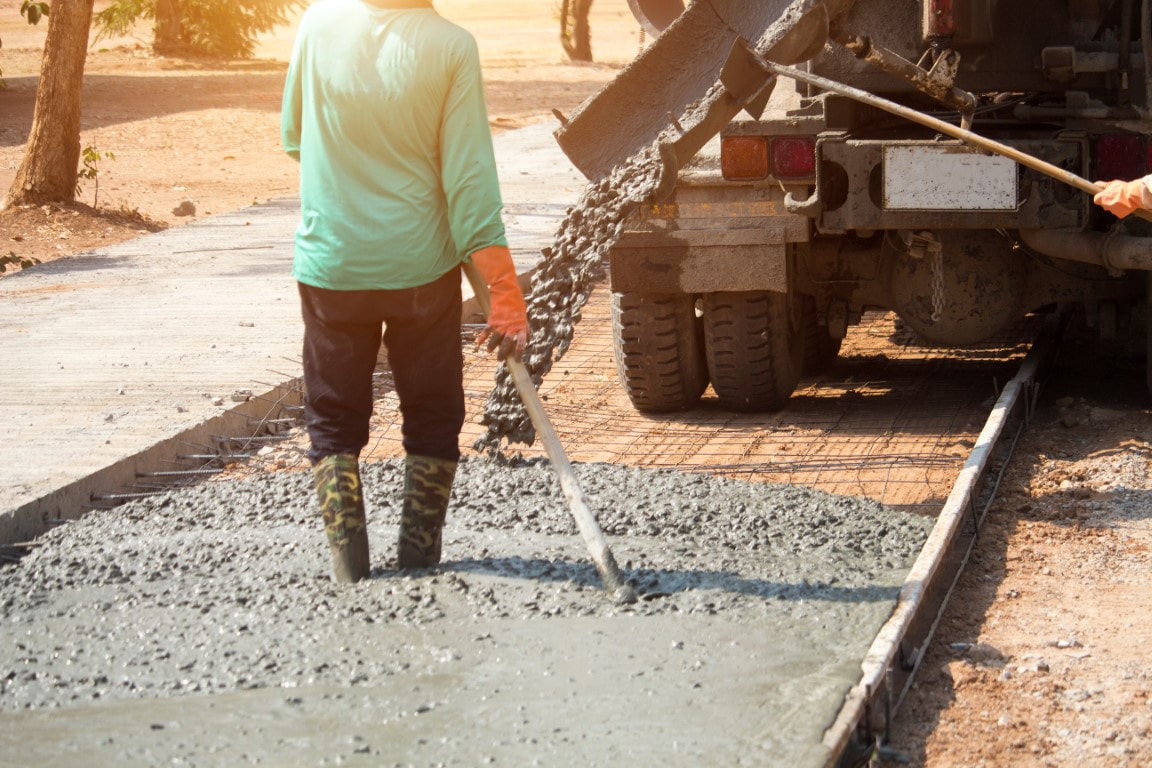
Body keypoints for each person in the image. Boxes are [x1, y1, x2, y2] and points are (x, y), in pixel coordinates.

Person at [281, 0, 528, 583]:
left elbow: (296, 137)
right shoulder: (451, 47)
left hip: (332, 266)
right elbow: (467, 184)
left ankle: (348, 568)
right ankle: (418, 561)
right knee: (433, 413)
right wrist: (503, 289)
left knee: (332, 420)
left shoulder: (316, 22)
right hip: (419, 271)